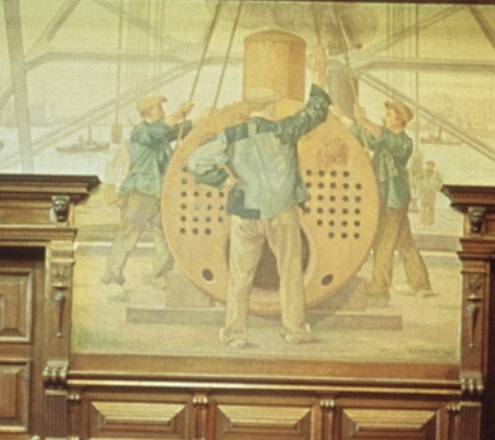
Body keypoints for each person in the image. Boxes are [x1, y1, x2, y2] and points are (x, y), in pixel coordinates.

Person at [187, 76, 332, 348]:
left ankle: (235, 334)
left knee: (240, 276)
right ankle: (294, 331)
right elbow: (316, 111)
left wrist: (223, 180)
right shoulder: (284, 130)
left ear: (250, 107)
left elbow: (195, 161)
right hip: (282, 211)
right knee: (290, 271)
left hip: (245, 212)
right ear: (270, 107)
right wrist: (319, 74)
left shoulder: (231, 136)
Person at [341, 98, 432, 306]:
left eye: (390, 116)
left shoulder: (404, 143)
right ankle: (421, 284)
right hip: (389, 198)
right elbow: (363, 135)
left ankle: (379, 290)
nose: (385, 118)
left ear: (401, 120)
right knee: (405, 242)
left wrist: (364, 121)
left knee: (383, 242)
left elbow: (385, 139)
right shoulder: (383, 140)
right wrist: (342, 119)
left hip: (393, 199)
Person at [101, 95, 193, 299]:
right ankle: (111, 280)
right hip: (140, 193)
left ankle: (161, 278)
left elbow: (179, 130)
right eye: (159, 107)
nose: (162, 110)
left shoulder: (159, 134)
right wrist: (180, 113)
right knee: (128, 236)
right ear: (148, 112)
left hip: (160, 194)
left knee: (166, 236)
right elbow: (160, 129)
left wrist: (201, 119)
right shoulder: (141, 132)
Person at [418, 160, 444, 229]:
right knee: (423, 208)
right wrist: (420, 185)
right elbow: (416, 179)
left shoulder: (436, 173)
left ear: (433, 166)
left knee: (431, 208)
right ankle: (421, 223)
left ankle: (430, 223)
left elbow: (441, 181)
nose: (430, 166)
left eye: (432, 165)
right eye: (429, 165)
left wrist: (437, 187)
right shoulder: (423, 172)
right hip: (424, 192)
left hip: (432, 193)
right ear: (427, 165)